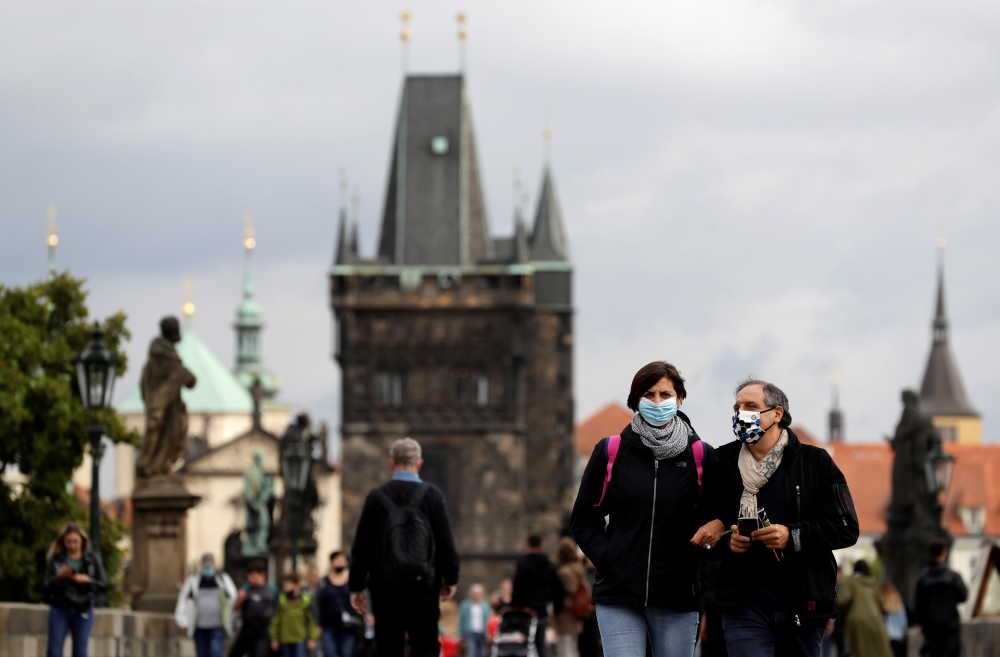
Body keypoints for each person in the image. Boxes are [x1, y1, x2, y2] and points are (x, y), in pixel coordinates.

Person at [571, 361, 726, 657]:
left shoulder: (700, 456)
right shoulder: (611, 451)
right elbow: (583, 518)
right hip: (619, 593)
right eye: (649, 394)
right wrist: (609, 557)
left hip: (678, 596)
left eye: (665, 394)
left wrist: (715, 529)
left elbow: (721, 517)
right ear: (636, 400)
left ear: (679, 399)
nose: (657, 402)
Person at [714, 378, 859, 657]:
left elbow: (846, 528)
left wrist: (792, 536)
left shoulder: (816, 463)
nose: (740, 413)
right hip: (744, 604)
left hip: (803, 603)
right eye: (737, 407)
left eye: (751, 406)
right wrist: (726, 543)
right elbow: (709, 525)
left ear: (777, 414)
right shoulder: (722, 463)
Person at [349, 437, 461, 657]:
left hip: (385, 588)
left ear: (391, 463)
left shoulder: (376, 498)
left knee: (389, 647)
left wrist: (356, 587)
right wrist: (450, 578)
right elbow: (446, 542)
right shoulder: (432, 496)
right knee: (425, 647)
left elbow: (361, 546)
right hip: (424, 586)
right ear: (420, 464)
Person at [44, 522, 108, 657]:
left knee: (80, 652)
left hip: (83, 609)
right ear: (63, 542)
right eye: (68, 542)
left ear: (82, 541)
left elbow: (104, 585)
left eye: (75, 541)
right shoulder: (56, 560)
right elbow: (46, 587)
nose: (72, 546)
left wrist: (88, 580)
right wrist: (58, 577)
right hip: (60, 608)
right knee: (54, 651)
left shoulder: (92, 558)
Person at [511, 535, 566, 657]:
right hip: (542, 610)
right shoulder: (549, 565)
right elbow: (559, 590)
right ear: (541, 545)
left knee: (526, 643)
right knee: (541, 644)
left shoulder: (522, 564)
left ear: (528, 545)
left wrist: (517, 607)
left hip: (526, 611)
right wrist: (556, 609)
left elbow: (517, 588)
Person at [176, 553, 238, 657]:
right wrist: (182, 622)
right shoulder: (193, 581)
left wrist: (235, 620)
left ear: (215, 566)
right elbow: (182, 601)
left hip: (217, 628)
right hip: (199, 629)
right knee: (202, 654)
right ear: (201, 566)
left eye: (210, 566)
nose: (208, 569)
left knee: (215, 652)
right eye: (206, 567)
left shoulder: (223, 580)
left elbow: (233, 600)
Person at [914, 539, 967, 657]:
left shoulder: (923, 578)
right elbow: (963, 596)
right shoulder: (953, 576)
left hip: (931, 626)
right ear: (944, 553)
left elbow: (918, 603)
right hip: (950, 624)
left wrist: (921, 622)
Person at [837, 561, 892, 657]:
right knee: (878, 650)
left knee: (860, 650)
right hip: (875, 620)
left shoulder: (851, 582)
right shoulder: (872, 582)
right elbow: (881, 603)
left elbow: (842, 600)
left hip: (857, 620)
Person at [317, 551, 362, 657]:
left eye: (343, 560)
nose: (340, 563)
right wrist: (318, 624)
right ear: (331, 562)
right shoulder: (323, 582)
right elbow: (317, 603)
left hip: (350, 625)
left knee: (346, 653)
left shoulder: (353, 580)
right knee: (329, 653)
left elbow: (362, 598)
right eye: (337, 560)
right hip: (329, 625)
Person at [230, 560, 276, 657]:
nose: (252, 579)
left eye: (255, 576)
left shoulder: (271, 589)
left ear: (262, 575)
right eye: (250, 576)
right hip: (247, 627)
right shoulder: (246, 588)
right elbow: (235, 608)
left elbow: (277, 609)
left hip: (263, 630)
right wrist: (240, 599)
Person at [554, 538, 588, 657]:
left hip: (566, 614)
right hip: (578, 611)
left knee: (564, 647)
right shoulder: (579, 567)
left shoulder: (565, 572)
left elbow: (567, 593)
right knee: (573, 647)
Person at [271, 573, 319, 657]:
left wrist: (312, 638)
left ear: (296, 585)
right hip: (285, 639)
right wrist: (274, 638)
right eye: (284, 586)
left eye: (287, 585)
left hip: (300, 639)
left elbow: (312, 621)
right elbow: (276, 620)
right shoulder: (282, 600)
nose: (285, 588)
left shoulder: (305, 600)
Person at [459, 584, 492, 657]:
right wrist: (461, 633)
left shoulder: (485, 605)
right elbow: (461, 619)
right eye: (475, 594)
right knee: (472, 653)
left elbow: (489, 620)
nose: (476, 596)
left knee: (481, 653)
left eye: (478, 594)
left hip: (482, 633)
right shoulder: (465, 605)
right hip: (470, 632)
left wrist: (489, 632)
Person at [878, 581, 907, 657]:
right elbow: (904, 623)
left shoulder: (880, 607)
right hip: (899, 638)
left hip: (885, 639)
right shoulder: (900, 604)